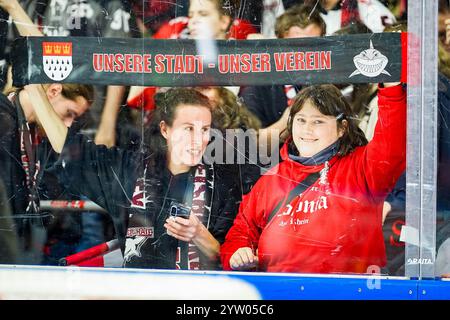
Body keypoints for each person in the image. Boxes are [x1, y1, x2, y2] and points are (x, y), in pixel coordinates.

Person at [25, 85, 242, 270]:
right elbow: (69, 147)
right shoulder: (131, 169)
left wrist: (199, 235)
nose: (199, 140)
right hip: (137, 292)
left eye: (205, 130)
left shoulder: (221, 183)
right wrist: (34, 89)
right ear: (165, 129)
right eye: (188, 129)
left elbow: (231, 257)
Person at [220, 81, 406, 273]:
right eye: (301, 120)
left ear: (342, 128)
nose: (307, 129)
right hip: (279, 291)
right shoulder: (270, 180)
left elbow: (392, 142)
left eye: (318, 121)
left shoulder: (363, 168)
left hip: (349, 291)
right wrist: (238, 252)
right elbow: (240, 234)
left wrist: (392, 88)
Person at [0, 83, 93, 264]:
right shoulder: (4, 120)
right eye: (69, 113)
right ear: (53, 91)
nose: (67, 124)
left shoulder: (35, 131)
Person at [127, 0, 257, 112]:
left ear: (224, 21)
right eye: (191, 15)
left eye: (203, 14)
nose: (194, 21)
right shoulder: (176, 33)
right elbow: (134, 97)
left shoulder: (241, 34)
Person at [239, 4, 326, 128]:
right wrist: (284, 125)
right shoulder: (259, 87)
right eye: (295, 47)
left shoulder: (332, 82)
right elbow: (247, 141)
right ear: (278, 46)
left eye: (312, 46)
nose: (304, 55)